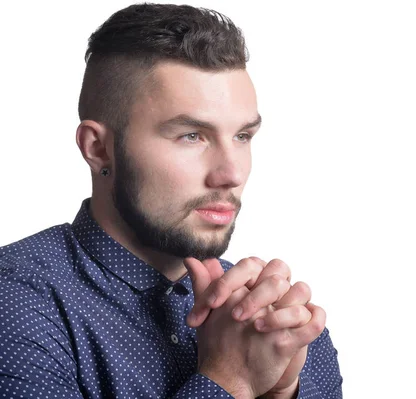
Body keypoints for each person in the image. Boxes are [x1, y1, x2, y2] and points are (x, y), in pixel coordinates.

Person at [0, 3, 342, 398]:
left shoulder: (278, 328)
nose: (231, 173)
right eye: (191, 136)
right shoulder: (15, 303)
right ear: (99, 149)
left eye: (243, 136)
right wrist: (232, 381)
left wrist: (278, 394)